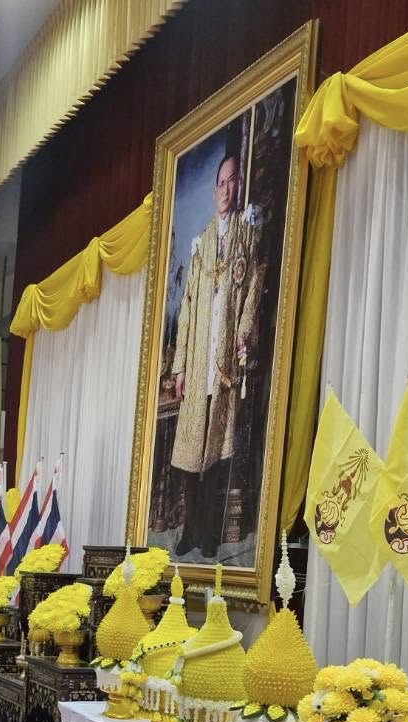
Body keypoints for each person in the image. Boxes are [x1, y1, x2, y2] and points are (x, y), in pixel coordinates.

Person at [167, 149, 266, 559]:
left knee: (215, 454)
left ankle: (209, 533)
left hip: (224, 364)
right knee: (190, 452)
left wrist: (243, 336)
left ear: (238, 186)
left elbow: (252, 291)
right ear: (214, 190)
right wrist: (180, 368)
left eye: (232, 181)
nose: (226, 189)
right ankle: (189, 530)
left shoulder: (247, 236)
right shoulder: (200, 243)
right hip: (198, 362)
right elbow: (188, 307)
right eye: (221, 183)